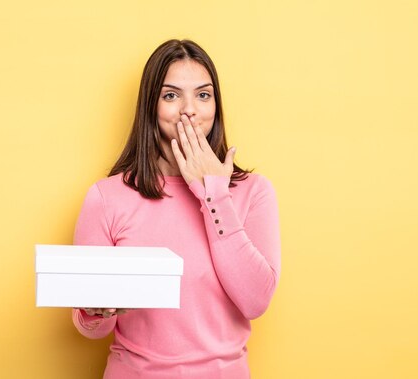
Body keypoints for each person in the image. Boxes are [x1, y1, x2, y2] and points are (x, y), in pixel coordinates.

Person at [72, 39, 281, 379]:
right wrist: (95, 310)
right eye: (171, 95)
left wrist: (213, 194)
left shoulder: (253, 193)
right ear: (151, 106)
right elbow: (91, 328)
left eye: (203, 95)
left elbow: (255, 301)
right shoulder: (106, 198)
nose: (190, 109)